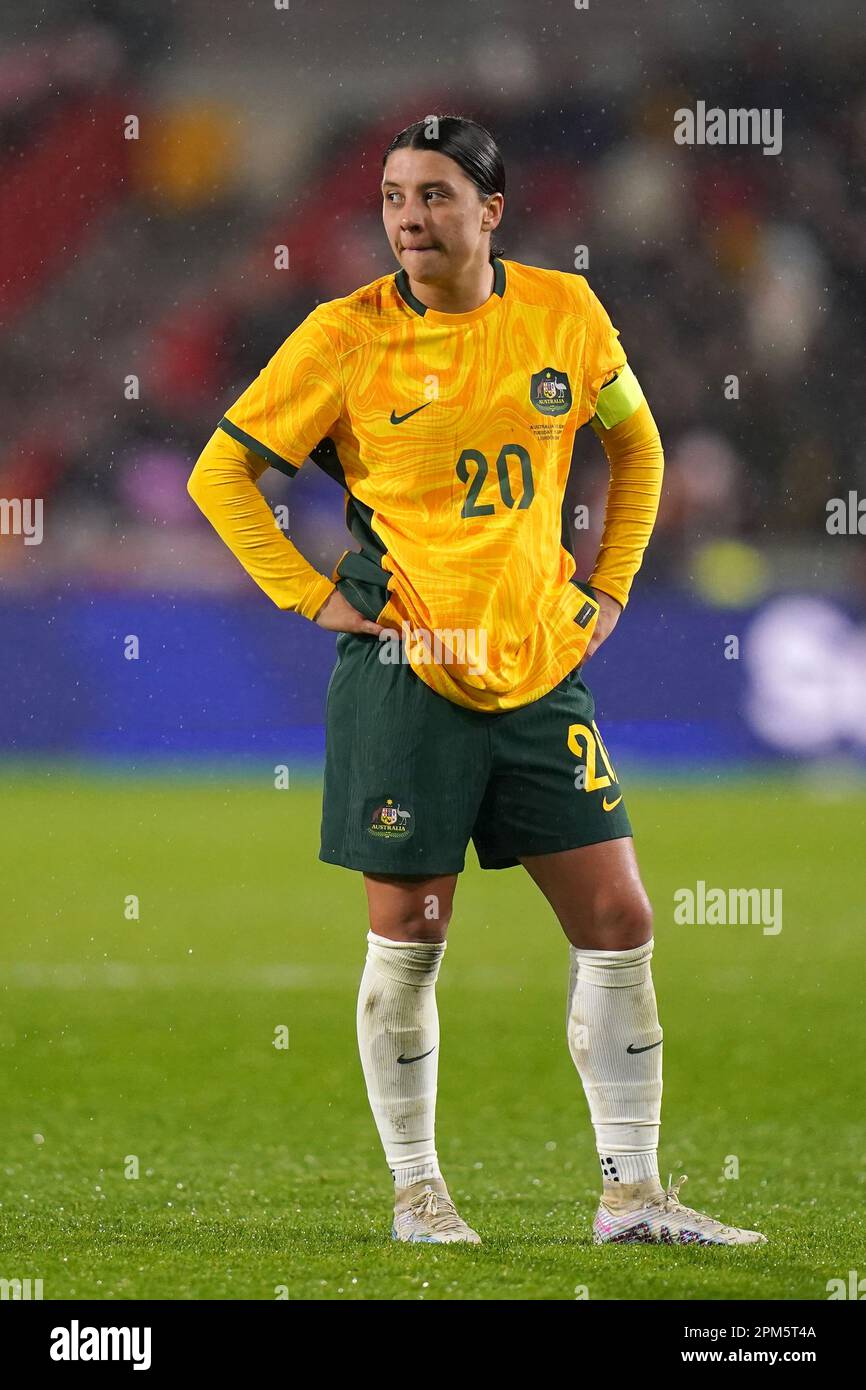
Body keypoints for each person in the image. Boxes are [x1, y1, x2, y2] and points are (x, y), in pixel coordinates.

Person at [187, 114, 766, 1247]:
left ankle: (632, 1195)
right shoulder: (341, 336)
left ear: (491, 211)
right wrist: (311, 597)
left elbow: (636, 446)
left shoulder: (563, 313)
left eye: (436, 195)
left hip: (541, 669)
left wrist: (607, 589)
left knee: (618, 916)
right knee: (410, 937)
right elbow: (225, 474)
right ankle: (418, 1192)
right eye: (396, 197)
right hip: (407, 680)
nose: (409, 216)